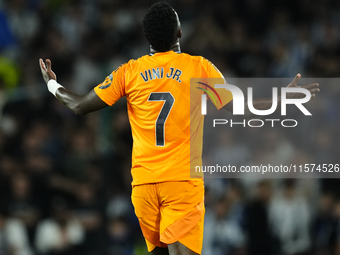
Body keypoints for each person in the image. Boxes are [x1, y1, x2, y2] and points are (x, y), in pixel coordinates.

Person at [39, 2, 319, 254]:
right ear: (180, 33)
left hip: (144, 186)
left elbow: (78, 105)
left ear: (147, 38)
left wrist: (52, 83)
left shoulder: (129, 71)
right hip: (181, 181)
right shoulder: (198, 67)